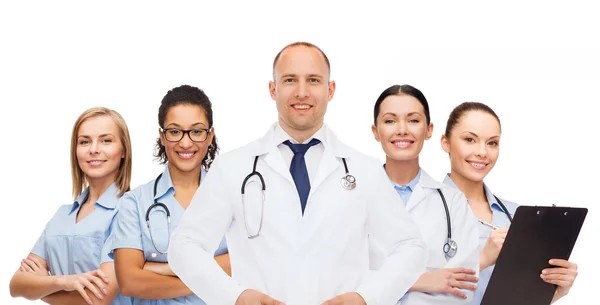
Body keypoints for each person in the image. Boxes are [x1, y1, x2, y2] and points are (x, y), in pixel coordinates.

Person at [168, 42, 428, 305]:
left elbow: (411, 247)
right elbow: (184, 247)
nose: (301, 92)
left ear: (331, 89)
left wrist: (365, 298)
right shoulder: (233, 168)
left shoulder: (364, 170)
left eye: (313, 80)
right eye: (290, 80)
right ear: (273, 89)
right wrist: (235, 297)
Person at [440, 102, 579, 304]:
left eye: (492, 143)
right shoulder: (420, 208)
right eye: (470, 139)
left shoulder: (516, 216)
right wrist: (483, 258)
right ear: (445, 142)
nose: (482, 152)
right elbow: (405, 289)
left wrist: (555, 290)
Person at [108, 85, 230, 305]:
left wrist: (166, 269)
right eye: (175, 131)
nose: (185, 142)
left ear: (210, 135)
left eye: (196, 131)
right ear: (162, 137)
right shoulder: (134, 203)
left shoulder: (233, 196)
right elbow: (129, 282)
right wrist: (209, 275)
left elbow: (248, 262)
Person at [9, 106, 134, 305]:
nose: (94, 149)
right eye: (84, 141)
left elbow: (99, 297)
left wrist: (41, 287)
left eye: (106, 140)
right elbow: (16, 285)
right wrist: (64, 281)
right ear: (75, 151)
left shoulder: (130, 211)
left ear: (123, 151)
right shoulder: (62, 215)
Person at [369, 85, 480, 304]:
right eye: (390, 121)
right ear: (376, 131)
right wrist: (422, 281)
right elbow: (337, 279)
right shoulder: (350, 197)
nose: (402, 130)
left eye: (413, 120)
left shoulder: (453, 203)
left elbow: (463, 289)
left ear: (428, 130)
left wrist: (381, 282)